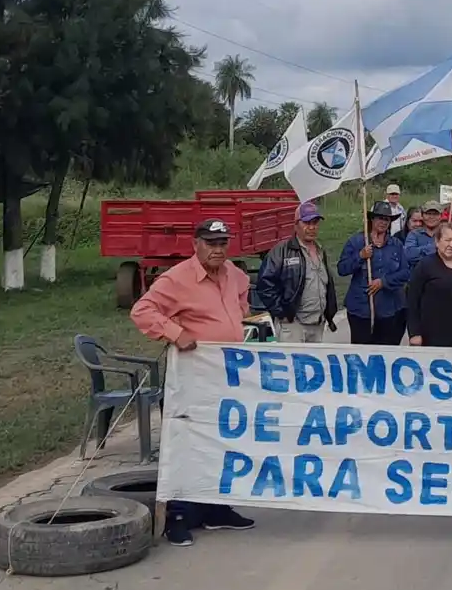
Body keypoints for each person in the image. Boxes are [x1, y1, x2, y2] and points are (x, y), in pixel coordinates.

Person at [129, 218, 256, 545]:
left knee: (221, 441)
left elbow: (243, 301)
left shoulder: (234, 275)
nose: (218, 249)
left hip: (226, 376)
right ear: (195, 244)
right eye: (211, 243)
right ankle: (179, 515)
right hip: (192, 377)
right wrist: (176, 332)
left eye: (223, 243)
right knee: (188, 442)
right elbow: (142, 311)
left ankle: (215, 508)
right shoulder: (177, 279)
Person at [252, 201, 338, 343]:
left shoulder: (320, 250)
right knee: (294, 365)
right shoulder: (281, 251)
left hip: (317, 324)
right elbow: (264, 284)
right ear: (296, 224)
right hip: (293, 325)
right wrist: (281, 312)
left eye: (315, 223)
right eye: (307, 223)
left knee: (313, 364)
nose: (312, 227)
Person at [336, 202, 411, 344]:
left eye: (387, 219)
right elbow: (342, 269)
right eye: (379, 218)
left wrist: (384, 282)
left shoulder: (396, 244)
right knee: (361, 353)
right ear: (372, 219)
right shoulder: (357, 241)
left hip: (388, 309)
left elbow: (406, 273)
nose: (383, 222)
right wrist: (360, 256)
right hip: (360, 309)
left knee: (385, 352)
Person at [404, 200, 443, 271]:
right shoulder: (414, 234)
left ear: (441, 216)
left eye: (435, 214)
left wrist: (421, 252)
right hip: (420, 277)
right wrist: (437, 247)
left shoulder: (447, 233)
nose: (431, 217)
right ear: (422, 215)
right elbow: (409, 255)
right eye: (428, 213)